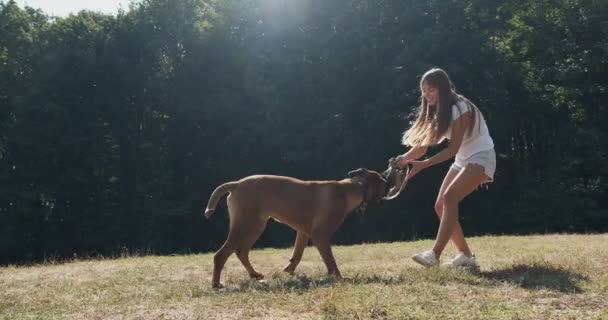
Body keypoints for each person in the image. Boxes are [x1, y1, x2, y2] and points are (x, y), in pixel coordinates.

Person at [396, 68, 496, 268]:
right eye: (424, 90)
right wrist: (403, 159)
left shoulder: (461, 108)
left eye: (431, 89)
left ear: (443, 88)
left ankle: (434, 254)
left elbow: (452, 149)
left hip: (481, 156)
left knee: (450, 198)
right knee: (441, 206)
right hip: (463, 160)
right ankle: (466, 256)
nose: (426, 94)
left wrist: (424, 165)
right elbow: (423, 146)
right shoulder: (442, 112)